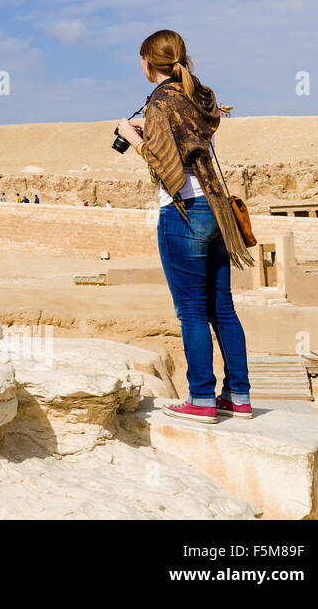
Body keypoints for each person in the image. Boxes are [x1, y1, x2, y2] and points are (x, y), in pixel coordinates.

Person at [115, 29, 253, 424]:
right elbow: (187, 142)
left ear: (147, 63)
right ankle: (238, 397)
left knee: (192, 310)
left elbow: (162, 162)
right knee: (222, 307)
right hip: (216, 207)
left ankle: (202, 399)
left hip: (184, 210)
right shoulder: (198, 95)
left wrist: (131, 137)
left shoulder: (160, 100)